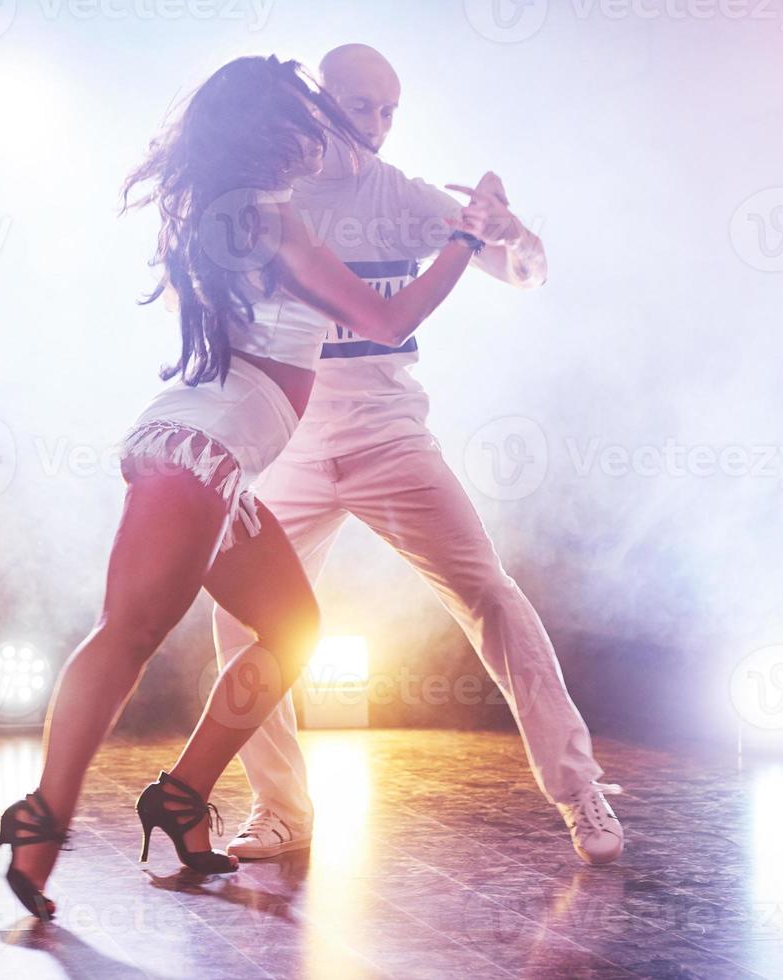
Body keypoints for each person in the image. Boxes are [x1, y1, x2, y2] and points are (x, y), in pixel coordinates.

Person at [0, 54, 490, 919]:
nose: (314, 134)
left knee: (293, 629)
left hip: (219, 459)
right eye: (301, 120)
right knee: (131, 632)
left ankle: (182, 796)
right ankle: (44, 816)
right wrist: (467, 236)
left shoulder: (228, 210)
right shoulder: (267, 219)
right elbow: (389, 319)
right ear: (267, 133)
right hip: (201, 447)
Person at [213, 44, 626, 867]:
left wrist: (512, 231)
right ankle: (281, 808)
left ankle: (579, 793)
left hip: (387, 436)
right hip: (285, 443)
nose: (375, 125)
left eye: (388, 110)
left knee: (489, 596)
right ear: (313, 102)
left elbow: (522, 271)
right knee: (238, 623)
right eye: (360, 106)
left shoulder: (398, 192)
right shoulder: (266, 196)